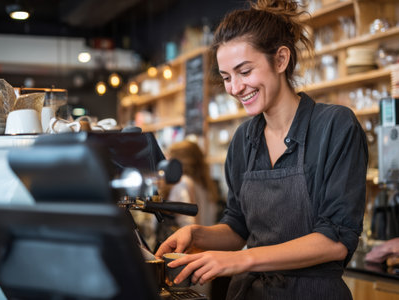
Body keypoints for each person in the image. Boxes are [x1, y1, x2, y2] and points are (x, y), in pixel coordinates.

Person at [155, 0, 368, 299]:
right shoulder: (244, 140)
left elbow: (335, 240)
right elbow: (238, 226)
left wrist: (242, 258)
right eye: (227, 77)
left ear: (280, 60)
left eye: (244, 71)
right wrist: (198, 234)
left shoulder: (334, 126)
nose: (235, 88)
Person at [156, 140, 219, 243]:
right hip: (205, 245)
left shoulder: (182, 183)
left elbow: (187, 223)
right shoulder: (206, 186)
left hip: (185, 249)